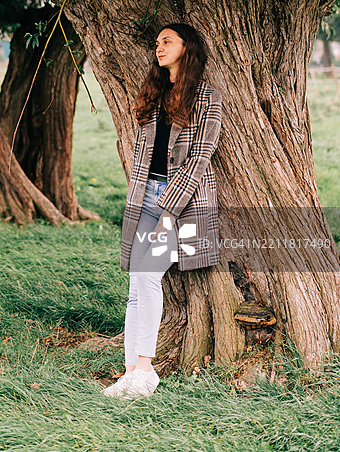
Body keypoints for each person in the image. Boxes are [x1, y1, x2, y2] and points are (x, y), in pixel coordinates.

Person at [103, 23, 222, 399]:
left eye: (167, 41)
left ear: (187, 48)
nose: (159, 47)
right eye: (157, 43)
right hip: (146, 196)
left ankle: (146, 369)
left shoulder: (206, 98)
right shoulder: (155, 94)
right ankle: (130, 372)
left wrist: (169, 213)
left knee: (148, 277)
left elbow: (199, 158)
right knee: (137, 284)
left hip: (180, 204)